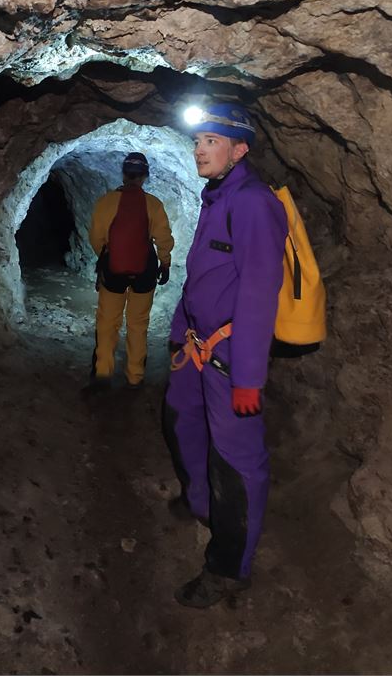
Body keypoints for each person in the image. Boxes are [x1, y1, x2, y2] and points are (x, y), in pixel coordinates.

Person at [163, 103, 287, 608]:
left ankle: (229, 568)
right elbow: (201, 279)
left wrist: (248, 379)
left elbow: (260, 292)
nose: (199, 150)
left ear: (240, 150)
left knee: (236, 463)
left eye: (210, 141)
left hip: (231, 355)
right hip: (196, 347)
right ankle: (201, 504)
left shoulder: (254, 204)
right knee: (179, 421)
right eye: (197, 141)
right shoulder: (216, 197)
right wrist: (178, 335)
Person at [86, 152, 174, 392]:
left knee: (107, 323)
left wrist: (105, 258)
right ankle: (135, 376)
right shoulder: (153, 204)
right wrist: (164, 263)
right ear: (145, 176)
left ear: (124, 174)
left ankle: (103, 373)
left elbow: (96, 236)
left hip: (113, 273)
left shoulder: (106, 202)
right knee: (137, 324)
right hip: (144, 273)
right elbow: (163, 239)